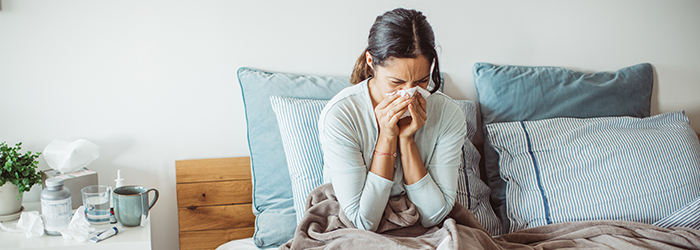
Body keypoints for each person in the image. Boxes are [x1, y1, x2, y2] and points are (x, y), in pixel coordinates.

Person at [318, 8, 467, 232]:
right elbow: (363, 222)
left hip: (424, 230)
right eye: (396, 82)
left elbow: (434, 215)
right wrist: (387, 136)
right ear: (370, 61)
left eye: (421, 81)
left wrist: (407, 141)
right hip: (356, 232)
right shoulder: (342, 115)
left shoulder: (448, 114)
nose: (409, 93)